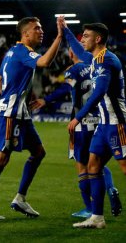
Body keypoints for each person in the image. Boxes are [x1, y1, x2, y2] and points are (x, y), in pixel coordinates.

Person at [0, 16, 64, 220]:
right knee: (2, 157)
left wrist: (18, 96)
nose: (41, 31)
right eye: (37, 28)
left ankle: (20, 198)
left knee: (39, 152)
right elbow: (45, 61)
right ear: (25, 34)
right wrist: (59, 36)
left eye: (41, 28)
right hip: (12, 114)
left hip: (20, 113)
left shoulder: (11, 52)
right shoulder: (25, 51)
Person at [30, 46, 122, 219]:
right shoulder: (95, 66)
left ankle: (89, 208)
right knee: (97, 163)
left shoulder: (73, 70)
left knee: (81, 167)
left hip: (80, 123)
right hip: (98, 121)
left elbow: (65, 89)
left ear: (71, 53)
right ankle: (111, 188)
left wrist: (46, 99)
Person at [64, 21, 126, 229]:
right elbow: (79, 50)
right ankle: (97, 218)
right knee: (93, 166)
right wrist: (64, 29)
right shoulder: (94, 59)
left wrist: (78, 117)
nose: (82, 40)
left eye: (86, 36)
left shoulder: (106, 60)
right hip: (103, 124)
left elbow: (99, 92)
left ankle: (97, 216)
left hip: (117, 123)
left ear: (97, 39)